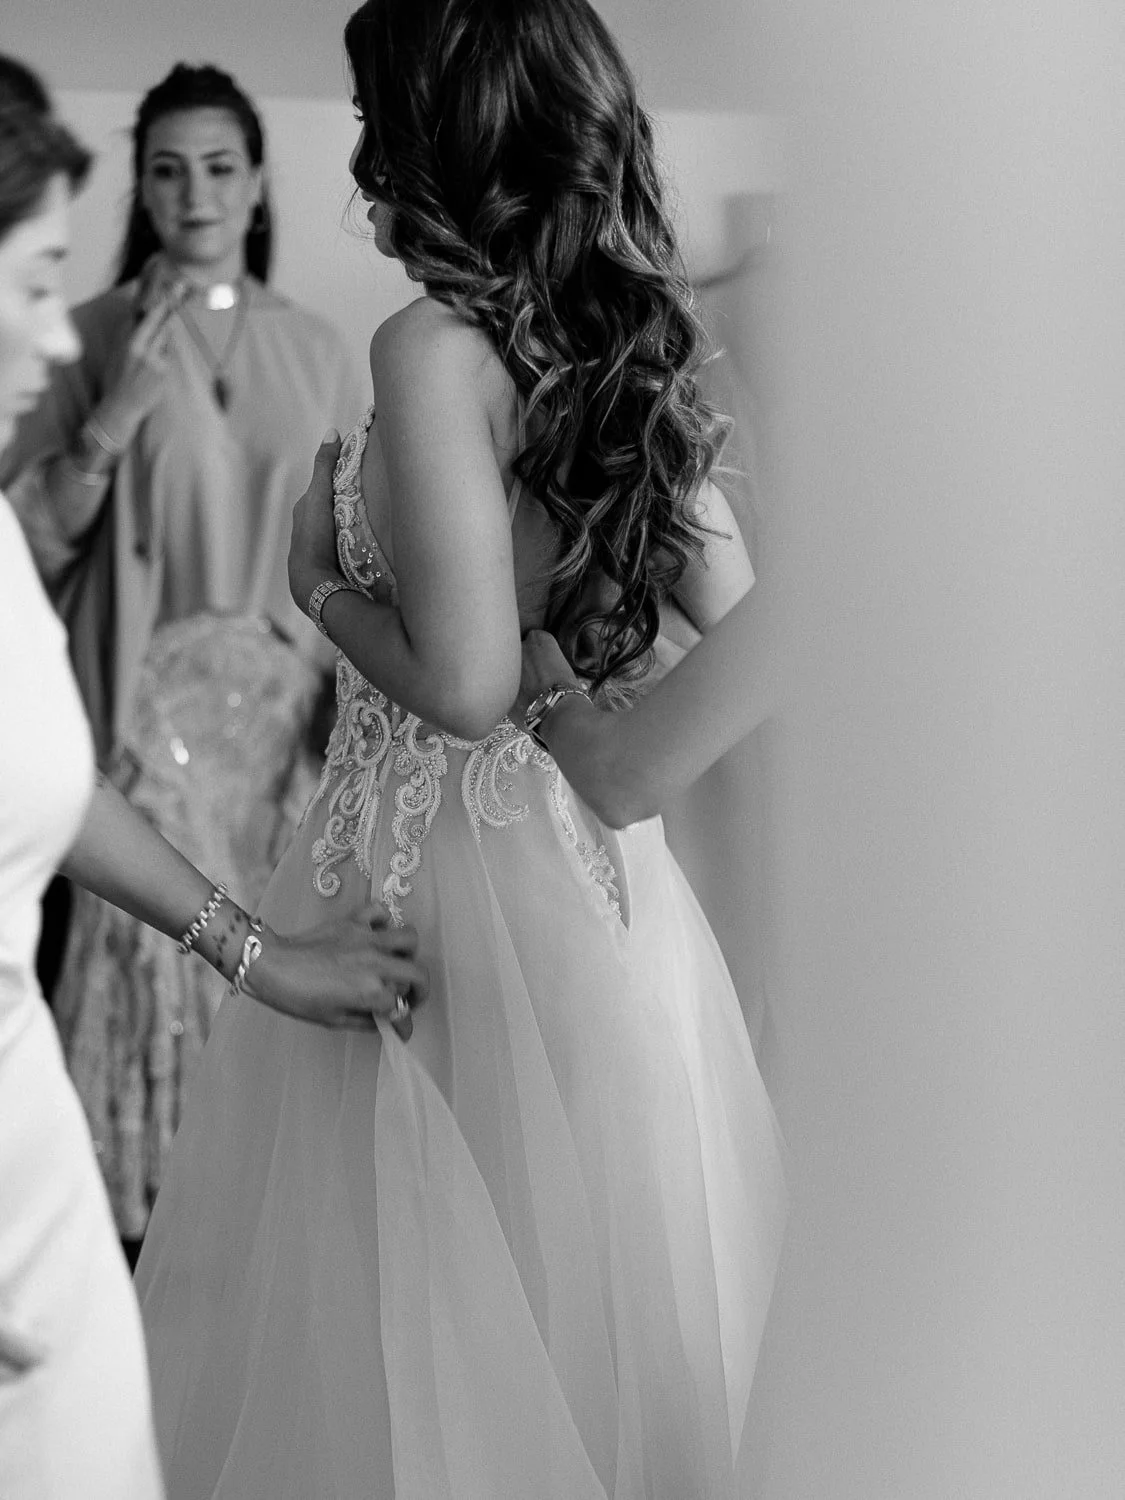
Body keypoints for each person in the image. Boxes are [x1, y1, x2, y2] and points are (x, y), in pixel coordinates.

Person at [136, 4, 787, 1496]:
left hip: (442, 906)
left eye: (377, 118)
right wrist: (605, 720)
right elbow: (745, 620)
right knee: (581, 1353)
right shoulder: (626, 349)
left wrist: (325, 593)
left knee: (411, 1360)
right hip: (603, 907)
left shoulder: (428, 345)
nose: (362, 151)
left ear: (449, 137)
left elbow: (469, 677)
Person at [0, 57, 425, 1500]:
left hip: (276, 763)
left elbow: (350, 564)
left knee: (268, 1129)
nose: (194, 196)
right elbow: (35, 552)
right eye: (166, 169)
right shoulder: (85, 334)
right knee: (132, 1135)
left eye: (221, 168)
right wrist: (116, 407)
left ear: (258, 184)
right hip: (129, 751)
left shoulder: (328, 351)